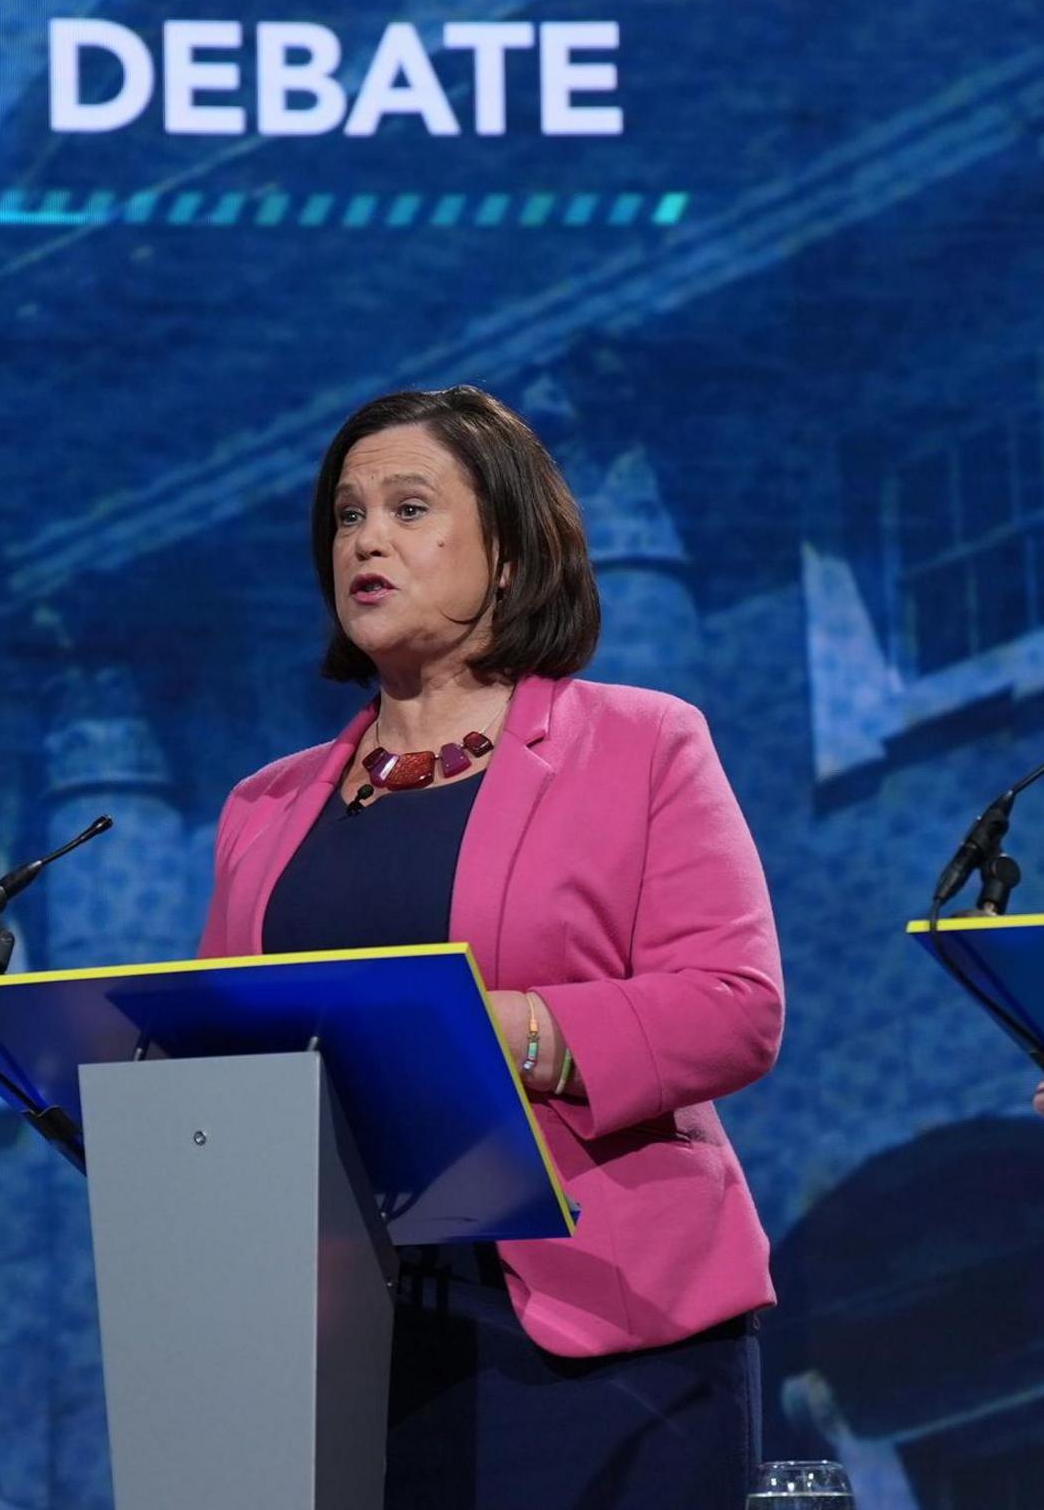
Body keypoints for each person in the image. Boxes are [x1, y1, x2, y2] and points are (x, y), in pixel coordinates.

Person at [196, 385, 784, 1510]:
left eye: (411, 507)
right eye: (348, 514)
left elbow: (734, 1001)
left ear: (507, 553)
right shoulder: (260, 810)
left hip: (602, 1332)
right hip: (344, 1345)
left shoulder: (644, 742)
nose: (366, 537)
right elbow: (227, 1056)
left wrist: (511, 1029)